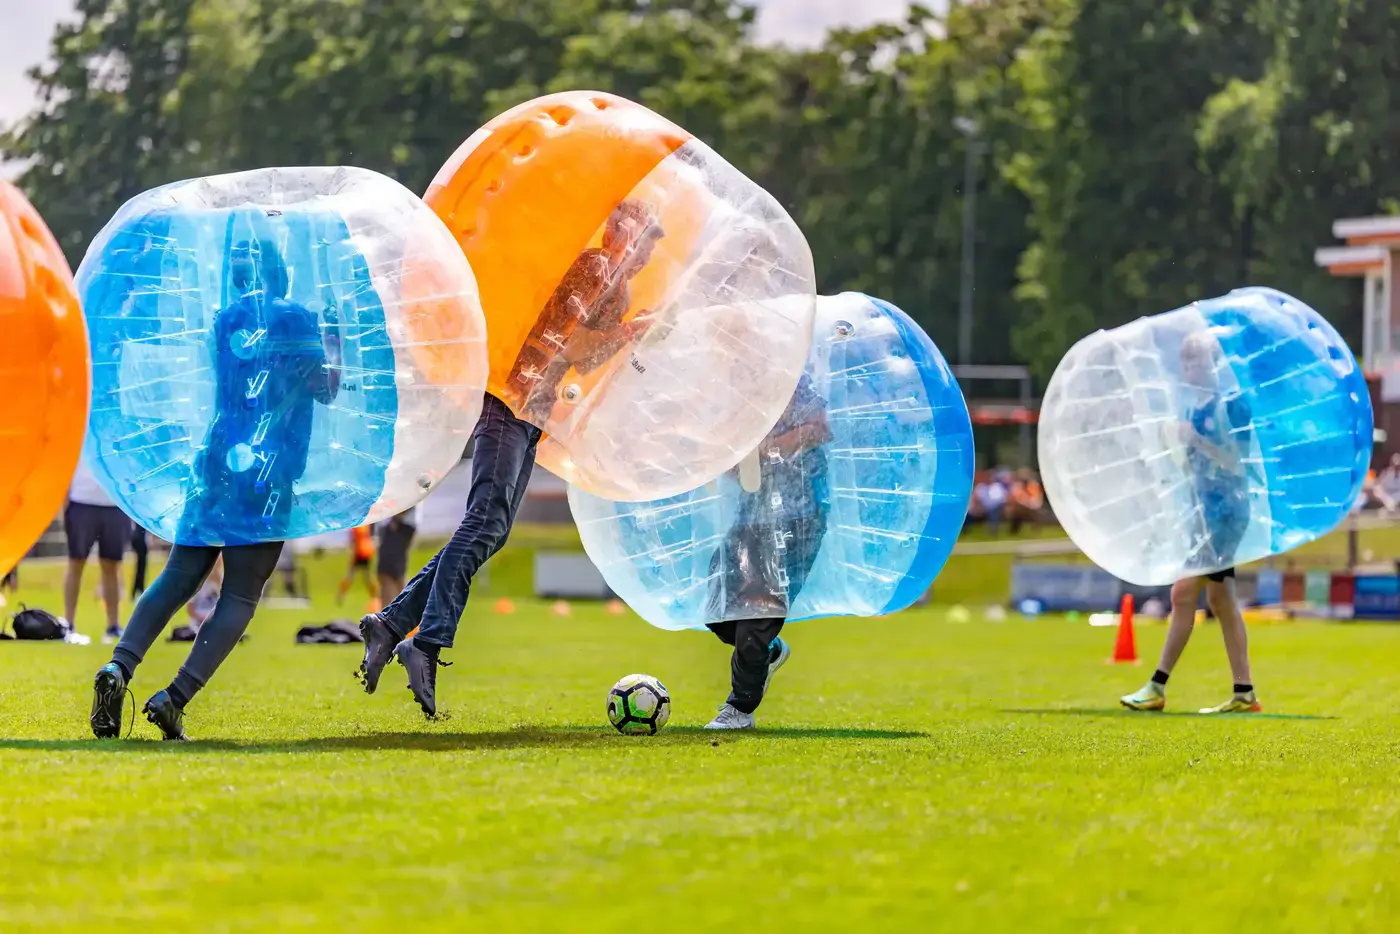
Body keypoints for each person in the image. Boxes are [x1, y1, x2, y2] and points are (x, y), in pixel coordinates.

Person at [357, 199, 664, 717]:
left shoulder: (621, 287)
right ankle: (424, 643)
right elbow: (571, 343)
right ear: (624, 233)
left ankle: (390, 625)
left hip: (533, 412)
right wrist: (633, 331)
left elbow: (584, 360)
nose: (650, 250)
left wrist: (630, 332)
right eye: (648, 237)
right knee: (482, 524)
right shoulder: (594, 268)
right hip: (509, 400)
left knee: (491, 531)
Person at [90, 235, 341, 740]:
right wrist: (334, 336)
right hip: (269, 472)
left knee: (179, 573)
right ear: (283, 271)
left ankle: (119, 667)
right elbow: (326, 388)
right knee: (242, 593)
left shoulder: (227, 318)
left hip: (217, 458)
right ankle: (173, 698)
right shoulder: (298, 318)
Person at [1122, 331, 1260, 715]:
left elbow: (1237, 464)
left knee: (1183, 593)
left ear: (1215, 365)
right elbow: (1194, 469)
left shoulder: (1230, 408)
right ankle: (1244, 692)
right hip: (1208, 513)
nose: (1189, 369)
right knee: (1220, 599)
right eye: (1185, 362)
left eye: (1197, 361)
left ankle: (1156, 686)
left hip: (1226, 514)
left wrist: (1194, 440)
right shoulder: (1194, 408)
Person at [704, 373, 830, 730]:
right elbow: (735, 467)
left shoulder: (790, 379)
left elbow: (819, 428)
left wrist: (768, 448)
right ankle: (767, 652)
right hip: (751, 516)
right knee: (719, 609)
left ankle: (740, 709)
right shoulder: (739, 395)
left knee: (758, 610)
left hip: (798, 515)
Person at [64, 457, 133, 642]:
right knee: (76, 563)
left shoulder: (122, 427)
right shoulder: (79, 427)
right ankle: (67, 624)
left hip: (116, 502)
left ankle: (113, 626)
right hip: (81, 499)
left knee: (112, 565)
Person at [376, 506, 419, 607]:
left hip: (395, 566)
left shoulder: (404, 528)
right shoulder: (390, 528)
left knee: (400, 598)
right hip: (390, 566)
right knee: (392, 599)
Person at [337, 525, 376, 605]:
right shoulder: (366, 525)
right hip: (366, 551)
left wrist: (352, 556)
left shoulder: (355, 528)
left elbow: (353, 542)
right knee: (367, 577)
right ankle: (375, 597)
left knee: (350, 575)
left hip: (359, 552)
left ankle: (341, 595)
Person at [130, 526, 149, 599]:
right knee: (141, 568)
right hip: (140, 541)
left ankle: (137, 590)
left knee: (140, 568)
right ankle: (138, 590)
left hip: (139, 540)